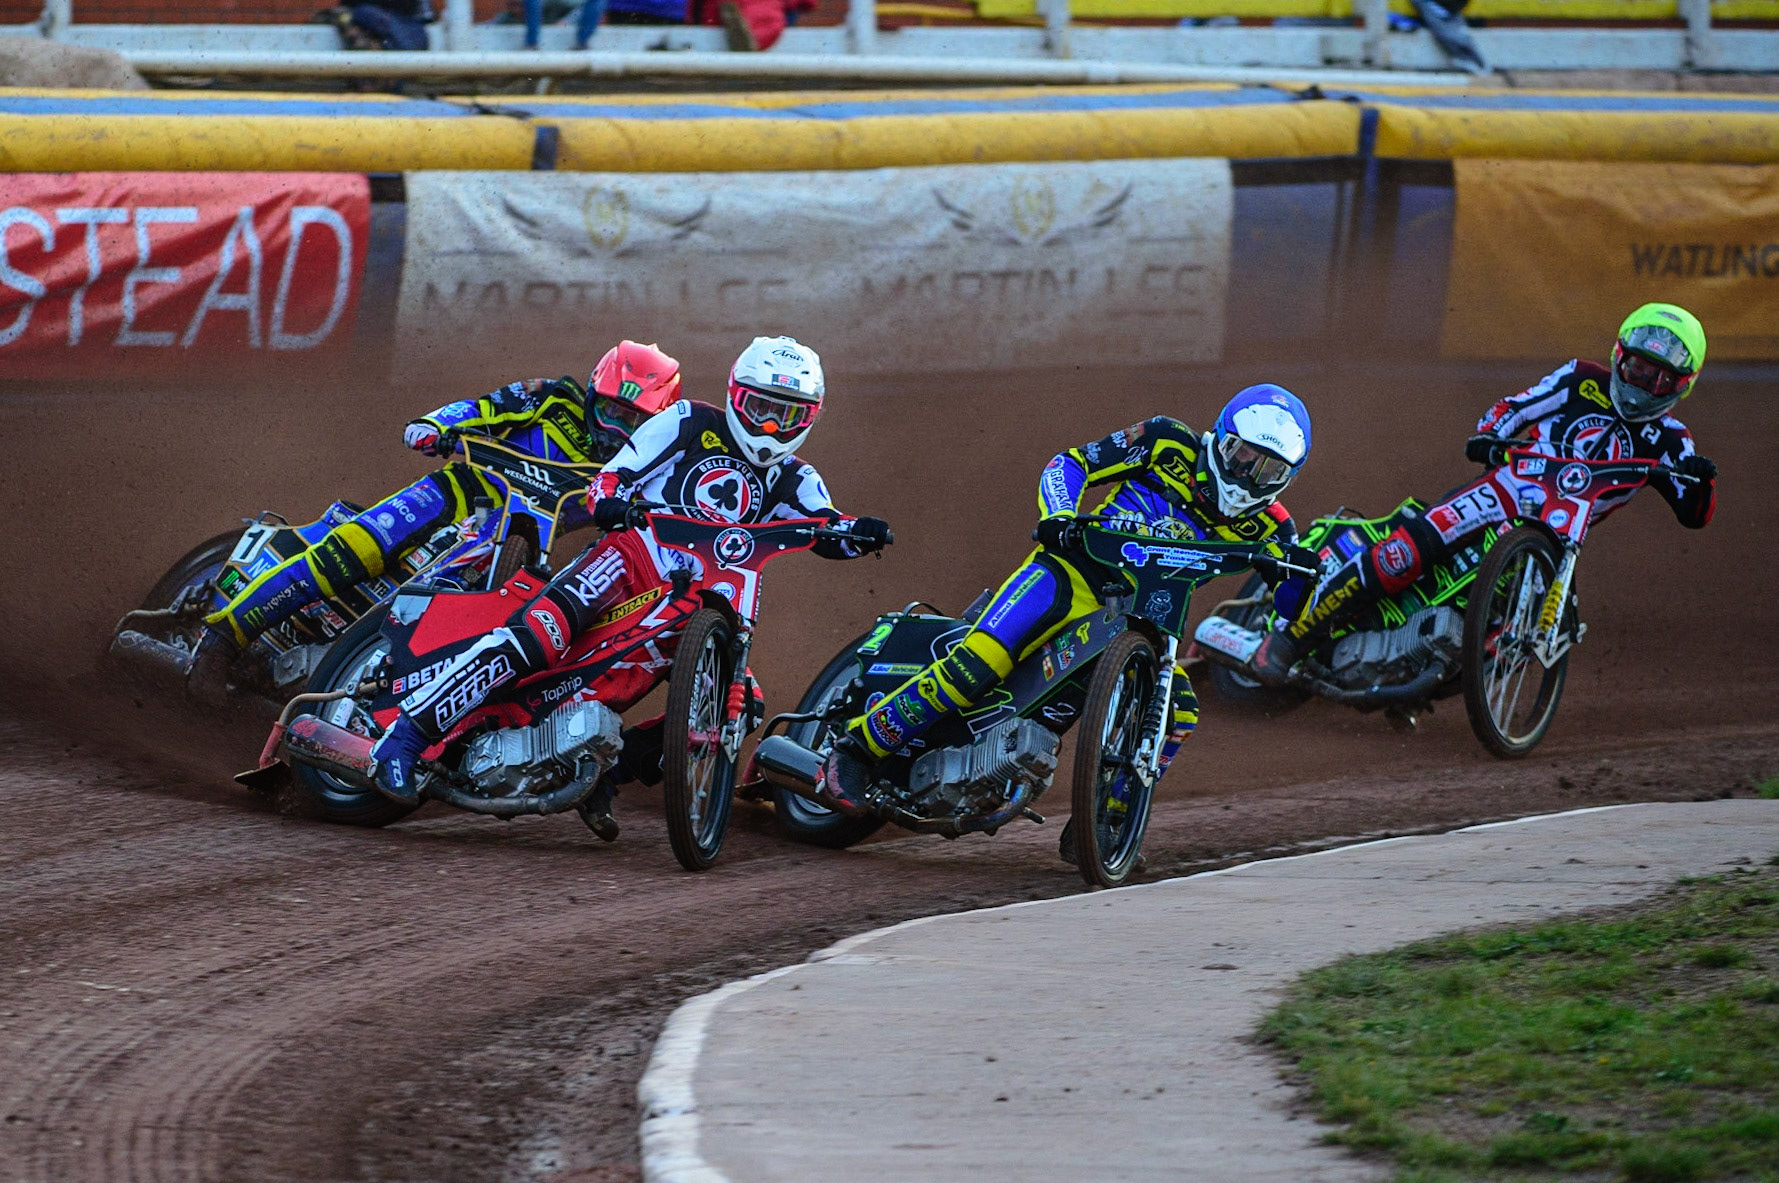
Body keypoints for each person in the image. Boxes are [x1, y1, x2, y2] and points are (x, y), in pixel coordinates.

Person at [368, 335, 893, 804]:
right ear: (736, 395)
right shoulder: (690, 421)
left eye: (789, 415)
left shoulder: (796, 479)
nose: (771, 426)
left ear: (811, 418)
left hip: (706, 598)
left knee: (743, 702)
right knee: (540, 637)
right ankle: (407, 736)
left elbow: (828, 528)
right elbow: (612, 476)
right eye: (760, 408)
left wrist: (858, 532)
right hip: (630, 557)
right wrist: (614, 502)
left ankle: (606, 775)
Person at [817, 384, 1321, 860]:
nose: (1249, 476)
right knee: (979, 662)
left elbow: (1289, 610)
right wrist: (1059, 514)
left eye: (1270, 470)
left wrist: (1302, 575)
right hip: (1070, 574)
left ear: (1288, 478)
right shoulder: (1168, 441)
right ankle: (857, 747)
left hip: (1152, 618)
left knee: (1180, 713)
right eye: (1243, 456)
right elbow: (1071, 464)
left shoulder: (1275, 526)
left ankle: (1106, 819)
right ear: (1220, 437)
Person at [185, 341, 683, 705]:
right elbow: (484, 407)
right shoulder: (552, 397)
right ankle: (223, 637)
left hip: (523, 545)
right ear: (594, 391)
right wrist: (437, 425)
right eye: (611, 410)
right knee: (356, 551)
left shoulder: (644, 466)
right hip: (458, 494)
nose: (617, 428)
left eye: (634, 420)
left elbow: (662, 514)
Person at [1251, 302, 1719, 684]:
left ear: (1682, 385)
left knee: (1520, 621)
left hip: (1561, 532)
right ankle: (1291, 638)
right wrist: (1490, 434)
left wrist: (1701, 477)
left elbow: (1693, 510)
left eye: (1658, 378)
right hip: (1506, 488)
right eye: (1637, 367)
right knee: (1406, 552)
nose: (1642, 384)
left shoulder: (1673, 440)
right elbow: (1515, 407)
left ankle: (1437, 670)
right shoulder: (1580, 379)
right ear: (1620, 356)